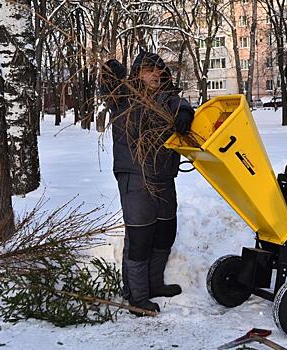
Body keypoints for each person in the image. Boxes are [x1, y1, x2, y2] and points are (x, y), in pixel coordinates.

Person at [100, 52, 194, 314]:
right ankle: (137, 298)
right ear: (137, 74)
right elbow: (108, 88)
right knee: (140, 236)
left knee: (164, 230)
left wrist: (185, 112)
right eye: (147, 70)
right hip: (135, 175)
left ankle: (154, 284)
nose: (153, 75)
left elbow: (180, 104)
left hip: (163, 175)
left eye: (157, 71)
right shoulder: (124, 97)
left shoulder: (165, 98)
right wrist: (109, 70)